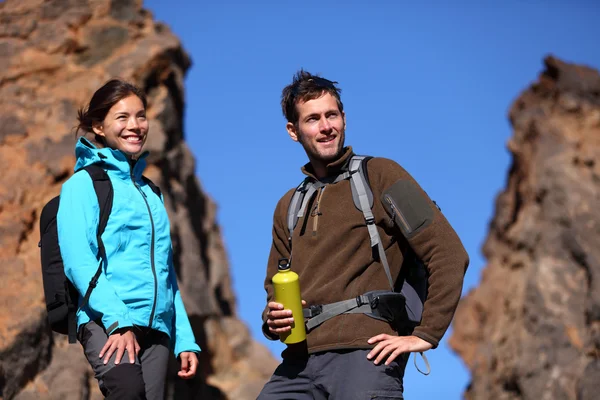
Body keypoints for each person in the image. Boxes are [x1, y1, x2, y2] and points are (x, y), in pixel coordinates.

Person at [258, 71, 469, 399]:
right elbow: (274, 287)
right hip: (297, 363)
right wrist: (272, 319)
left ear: (343, 118)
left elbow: (449, 253)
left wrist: (427, 334)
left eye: (332, 115)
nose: (326, 126)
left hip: (367, 356)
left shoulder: (382, 175)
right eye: (313, 119)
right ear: (293, 131)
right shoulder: (288, 205)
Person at [56, 79, 200, 399]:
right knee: (128, 392)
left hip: (157, 330)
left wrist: (184, 338)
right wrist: (118, 320)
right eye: (122, 117)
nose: (134, 126)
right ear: (99, 126)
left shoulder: (152, 193)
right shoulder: (82, 185)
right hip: (106, 321)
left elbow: (166, 273)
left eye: (140, 116)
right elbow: (79, 260)